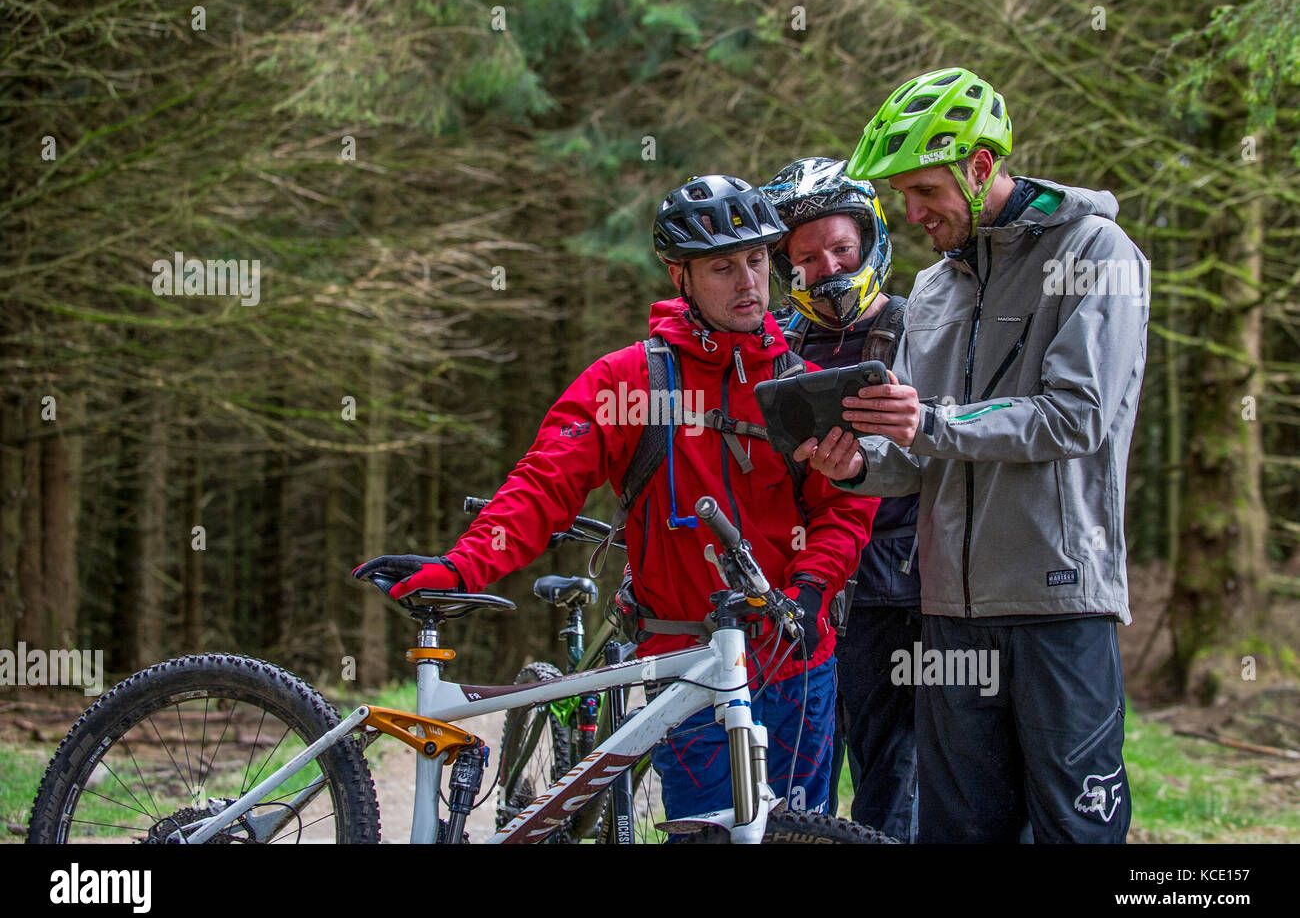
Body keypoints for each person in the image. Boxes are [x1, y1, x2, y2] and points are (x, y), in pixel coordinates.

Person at [355, 174, 876, 827]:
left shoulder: (800, 384)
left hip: (798, 664)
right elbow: (544, 486)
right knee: (710, 836)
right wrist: (463, 566)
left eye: (754, 260)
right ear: (678, 274)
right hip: (688, 670)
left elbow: (845, 510)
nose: (748, 282)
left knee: (799, 839)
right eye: (722, 266)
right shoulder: (631, 381)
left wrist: (809, 590)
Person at [798, 67, 1148, 843]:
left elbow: (1076, 415)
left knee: (1072, 830)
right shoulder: (933, 289)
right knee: (957, 831)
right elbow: (921, 454)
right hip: (948, 612)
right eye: (902, 196)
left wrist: (931, 420)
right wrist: (856, 466)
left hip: (1059, 600)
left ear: (982, 166)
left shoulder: (1097, 252)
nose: (911, 213)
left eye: (923, 191)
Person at [761, 156, 921, 841]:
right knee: (792, 788)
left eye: (840, 248)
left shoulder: (926, 326)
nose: (826, 267)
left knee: (894, 780)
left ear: (868, 242)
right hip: (796, 587)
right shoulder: (773, 342)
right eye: (807, 258)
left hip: (898, 583)